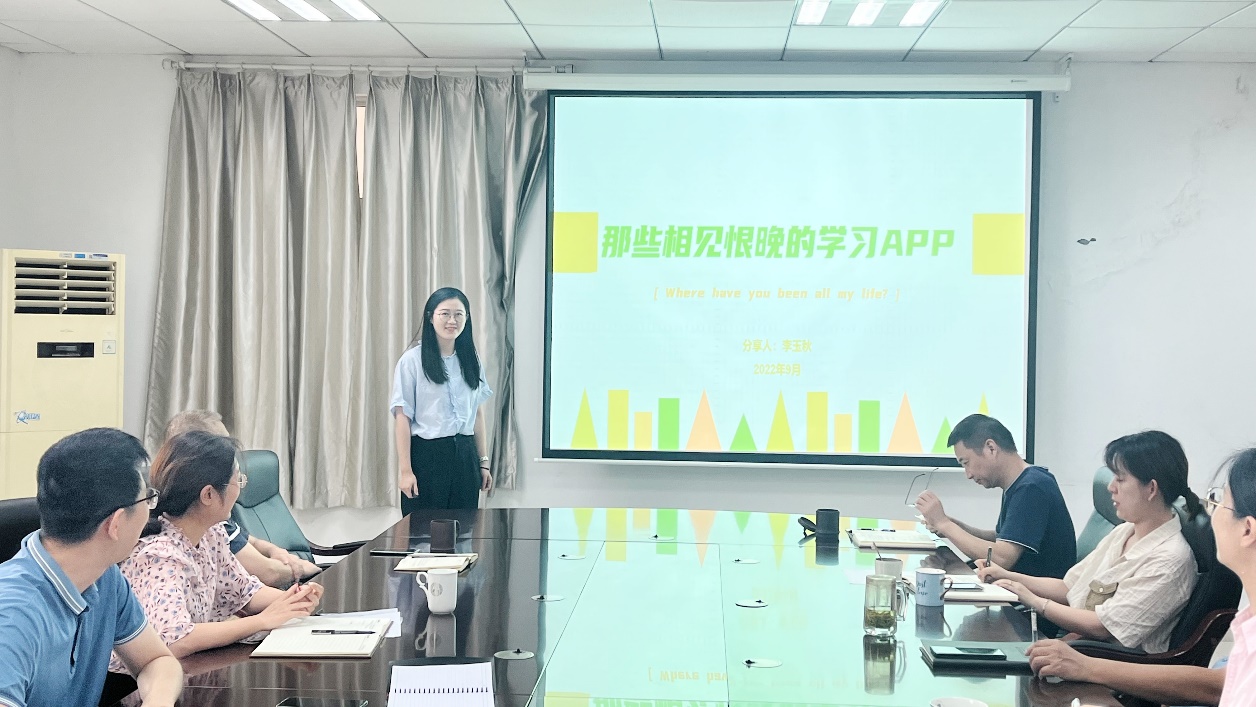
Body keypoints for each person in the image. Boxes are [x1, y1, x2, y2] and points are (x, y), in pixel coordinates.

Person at [1025, 447, 1256, 707]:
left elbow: (1218, 687)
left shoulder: (1171, 557)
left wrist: (1086, 666)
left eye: (1218, 501)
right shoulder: (1249, 624)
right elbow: (1221, 684)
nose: (1210, 513)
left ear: (1247, 530)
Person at [0, 428, 183, 707]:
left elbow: (157, 660)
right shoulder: (13, 617)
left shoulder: (104, 576)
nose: (151, 510)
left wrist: (158, 700)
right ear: (116, 524)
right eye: (147, 498)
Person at [112, 431, 323, 664]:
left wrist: (294, 601)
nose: (240, 490)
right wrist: (262, 621)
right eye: (238, 480)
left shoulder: (212, 534)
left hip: (191, 668)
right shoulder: (159, 555)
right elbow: (175, 638)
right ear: (209, 494)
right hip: (138, 681)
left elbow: (245, 592)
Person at [981, 430, 1201, 653]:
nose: (1111, 487)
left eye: (1120, 479)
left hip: (1109, 663)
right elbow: (1069, 587)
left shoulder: (1169, 559)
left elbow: (1102, 627)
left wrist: (1033, 600)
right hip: (1079, 647)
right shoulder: (1125, 531)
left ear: (1151, 489)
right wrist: (1007, 577)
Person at [162, 410, 319, 587]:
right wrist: (304, 569)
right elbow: (268, 573)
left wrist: (273, 550)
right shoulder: (173, 543)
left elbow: (247, 592)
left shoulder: (214, 528)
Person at [916, 413, 1076, 578]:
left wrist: (944, 524)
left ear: (991, 448)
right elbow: (1002, 539)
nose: (968, 474)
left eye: (966, 463)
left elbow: (1001, 559)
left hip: (1028, 592)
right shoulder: (1023, 482)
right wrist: (954, 526)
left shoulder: (1031, 487)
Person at [391, 286, 494, 514]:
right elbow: (402, 418)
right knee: (422, 530)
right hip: (428, 457)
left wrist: (483, 463)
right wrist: (406, 471)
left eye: (459, 314)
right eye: (445, 314)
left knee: (464, 528)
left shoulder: (471, 360)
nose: (452, 320)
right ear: (431, 317)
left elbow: (477, 413)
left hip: (465, 457)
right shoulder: (412, 361)